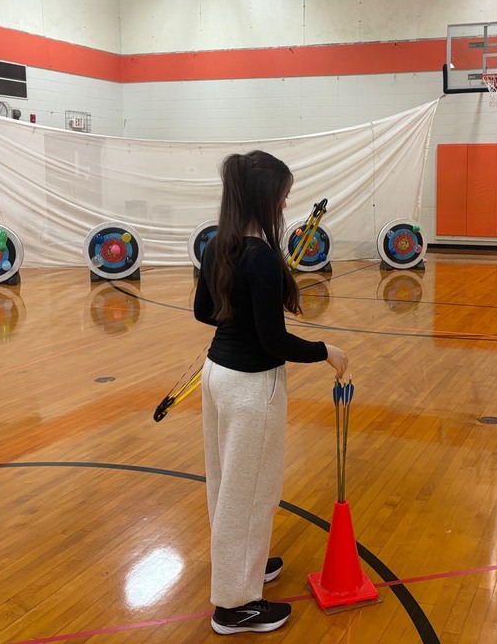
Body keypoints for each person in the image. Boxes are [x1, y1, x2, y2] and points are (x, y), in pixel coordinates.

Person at [193, 150, 349, 634]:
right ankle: (235, 605)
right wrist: (328, 351)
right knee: (251, 488)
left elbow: (204, 312)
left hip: (216, 375)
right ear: (265, 198)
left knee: (227, 483)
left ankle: (244, 563)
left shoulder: (218, 241)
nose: (285, 205)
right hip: (249, 388)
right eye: (281, 196)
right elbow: (273, 342)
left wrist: (246, 304)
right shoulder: (258, 255)